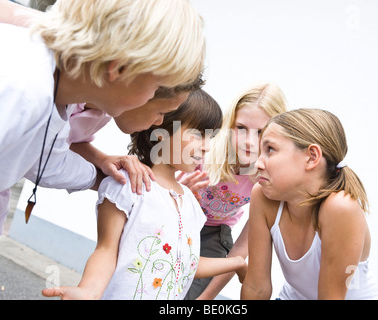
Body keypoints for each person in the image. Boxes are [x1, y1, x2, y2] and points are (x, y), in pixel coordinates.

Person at [0, 0, 205, 299]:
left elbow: (50, 160)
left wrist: (105, 176)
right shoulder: (21, 88)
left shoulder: (50, 91)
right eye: (156, 85)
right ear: (120, 68)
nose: (154, 98)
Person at [42, 89, 246, 300]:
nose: (207, 148)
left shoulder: (190, 203)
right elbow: (105, 250)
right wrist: (88, 291)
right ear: (161, 129)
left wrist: (236, 262)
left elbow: (186, 262)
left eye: (210, 138)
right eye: (198, 135)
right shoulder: (128, 185)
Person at [241, 108, 378, 300]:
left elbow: (330, 297)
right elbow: (257, 287)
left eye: (270, 149)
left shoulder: (340, 208)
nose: (258, 163)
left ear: (312, 157)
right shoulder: (263, 196)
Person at [181, 83, 288, 299]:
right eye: (241, 128)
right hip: (180, 218)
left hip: (215, 232)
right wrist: (182, 195)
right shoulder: (206, 149)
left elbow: (241, 249)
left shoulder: (269, 179)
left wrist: (206, 297)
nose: (249, 141)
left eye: (261, 132)